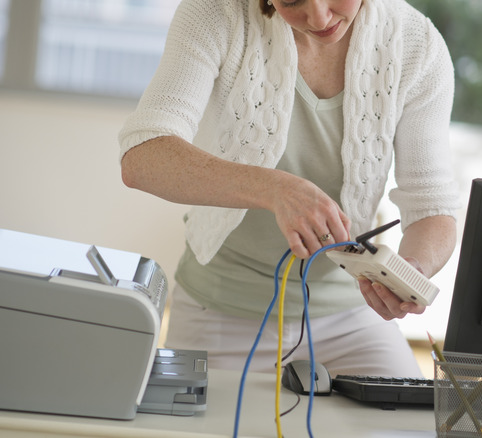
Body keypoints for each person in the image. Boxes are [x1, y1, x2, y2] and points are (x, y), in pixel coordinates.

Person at [118, 0, 459, 378]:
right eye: (293, 0)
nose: (319, 17)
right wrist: (274, 188)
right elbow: (143, 157)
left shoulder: (417, 45)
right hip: (218, 312)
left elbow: (432, 206)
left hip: (351, 320)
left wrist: (409, 271)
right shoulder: (215, 12)